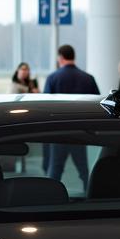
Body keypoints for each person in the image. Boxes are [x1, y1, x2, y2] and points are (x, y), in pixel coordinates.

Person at [43, 43, 99, 186]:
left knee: (55, 170)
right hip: (81, 132)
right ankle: (92, 198)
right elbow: (97, 105)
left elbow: (45, 107)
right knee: (84, 171)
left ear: (60, 58)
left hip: (59, 132)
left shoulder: (53, 78)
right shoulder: (88, 78)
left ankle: (51, 199)